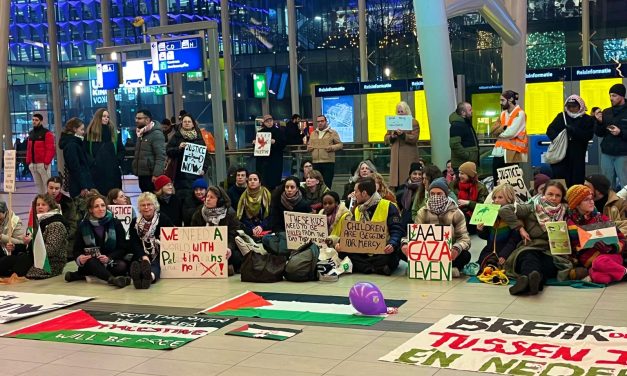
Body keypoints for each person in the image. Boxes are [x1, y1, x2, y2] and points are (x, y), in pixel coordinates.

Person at [499, 181, 572, 295]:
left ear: (562, 197)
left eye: (558, 195)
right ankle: (533, 281)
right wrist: (520, 228)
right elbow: (504, 210)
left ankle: (526, 282)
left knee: (548, 264)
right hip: (530, 246)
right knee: (529, 258)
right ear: (543, 193)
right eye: (550, 194)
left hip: (551, 251)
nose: (553, 198)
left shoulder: (566, 210)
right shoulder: (532, 206)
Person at [66, 191, 131, 287]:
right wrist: (80, 258)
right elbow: (77, 250)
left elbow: (122, 248)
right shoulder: (83, 225)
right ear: (90, 210)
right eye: (96, 206)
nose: (101, 209)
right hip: (92, 261)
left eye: (103, 205)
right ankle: (112, 279)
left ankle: (80, 275)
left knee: (122, 266)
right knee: (92, 262)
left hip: (109, 260)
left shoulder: (115, 222)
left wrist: (109, 258)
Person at [341, 177, 403, 275]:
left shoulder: (389, 206)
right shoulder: (358, 209)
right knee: (342, 252)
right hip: (363, 251)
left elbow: (397, 230)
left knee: (390, 255)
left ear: (364, 193)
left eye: (356, 191)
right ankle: (373, 268)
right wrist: (341, 243)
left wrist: (392, 244)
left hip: (382, 250)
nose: (354, 194)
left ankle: (366, 267)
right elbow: (351, 233)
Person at [565, 185, 626, 284]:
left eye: (591, 198)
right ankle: (621, 272)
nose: (592, 201)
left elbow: (622, 240)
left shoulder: (601, 218)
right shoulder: (569, 223)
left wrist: (611, 248)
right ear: (576, 204)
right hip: (589, 264)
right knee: (600, 278)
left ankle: (624, 271)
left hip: (610, 257)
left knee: (599, 262)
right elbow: (570, 250)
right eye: (586, 199)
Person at [411, 178, 472, 276]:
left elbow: (465, 238)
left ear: (446, 195)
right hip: (427, 251)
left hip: (448, 252)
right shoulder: (422, 212)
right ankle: (430, 267)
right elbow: (415, 235)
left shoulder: (457, 213)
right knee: (401, 250)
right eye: (432, 194)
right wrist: (405, 245)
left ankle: (445, 267)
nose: (435, 197)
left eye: (439, 194)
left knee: (465, 255)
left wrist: (456, 248)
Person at [546, 95, 595, 186]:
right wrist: (559, 138)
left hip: (578, 156)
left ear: (580, 106)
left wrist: (574, 131)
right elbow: (550, 130)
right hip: (561, 156)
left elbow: (588, 135)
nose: (571, 109)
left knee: (577, 181)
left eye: (574, 106)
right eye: (569, 106)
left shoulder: (587, 119)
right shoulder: (562, 116)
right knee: (560, 182)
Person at [191, 186, 241, 274]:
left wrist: (229, 248)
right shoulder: (199, 212)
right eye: (207, 196)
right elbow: (193, 232)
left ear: (220, 200)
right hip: (204, 249)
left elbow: (233, 234)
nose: (207, 199)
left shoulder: (230, 213)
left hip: (224, 248)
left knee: (236, 257)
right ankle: (224, 269)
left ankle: (224, 267)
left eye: (212, 197)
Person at [129, 192, 173, 289]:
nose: (146, 207)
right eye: (143, 205)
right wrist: (143, 256)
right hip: (141, 253)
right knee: (137, 263)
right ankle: (141, 277)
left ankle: (149, 277)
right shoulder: (134, 222)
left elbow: (171, 238)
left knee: (156, 264)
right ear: (139, 208)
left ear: (154, 206)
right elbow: (134, 243)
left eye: (149, 204)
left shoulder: (163, 219)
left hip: (159, 252)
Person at [476, 183, 521, 269]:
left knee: (506, 265)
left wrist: (504, 254)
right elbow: (486, 236)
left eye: (500, 197)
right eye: (494, 198)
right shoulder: (491, 214)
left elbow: (514, 240)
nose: (496, 200)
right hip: (490, 250)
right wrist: (480, 229)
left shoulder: (513, 216)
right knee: (482, 263)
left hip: (507, 251)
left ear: (509, 199)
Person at [23, 194, 68, 279]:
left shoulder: (56, 224)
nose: (40, 207)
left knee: (17, 269)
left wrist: (32, 242)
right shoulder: (38, 221)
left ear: (50, 207)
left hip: (51, 262)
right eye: (37, 205)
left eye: (43, 204)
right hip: (36, 258)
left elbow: (50, 250)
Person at [166, 113, 210, 195]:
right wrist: (178, 148)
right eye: (184, 121)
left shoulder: (199, 137)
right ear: (181, 123)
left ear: (193, 124)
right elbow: (168, 151)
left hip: (196, 175)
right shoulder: (176, 136)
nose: (186, 123)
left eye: (189, 121)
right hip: (180, 176)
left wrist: (204, 169)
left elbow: (205, 156)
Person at [85, 108, 125, 196]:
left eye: (107, 116)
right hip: (96, 173)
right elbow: (85, 151)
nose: (106, 118)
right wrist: (92, 163)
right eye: (103, 116)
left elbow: (121, 150)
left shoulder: (114, 133)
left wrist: (117, 161)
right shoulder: (90, 134)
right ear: (98, 117)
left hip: (113, 173)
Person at [491, 90, 528, 183]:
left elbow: (511, 133)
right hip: (498, 152)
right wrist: (501, 131)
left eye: (502, 100)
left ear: (511, 99)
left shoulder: (520, 113)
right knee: (497, 182)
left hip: (511, 154)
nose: (500, 103)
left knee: (511, 184)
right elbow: (493, 130)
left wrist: (498, 134)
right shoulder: (503, 113)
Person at [596, 83, 627, 189]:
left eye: (614, 95)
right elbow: (599, 133)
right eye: (610, 95)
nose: (611, 98)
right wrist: (599, 122)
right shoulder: (606, 112)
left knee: (625, 184)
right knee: (607, 185)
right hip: (607, 153)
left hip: (623, 154)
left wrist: (620, 132)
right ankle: (609, 205)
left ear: (622, 96)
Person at [384, 101, 420, 189]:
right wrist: (392, 137)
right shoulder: (393, 123)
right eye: (398, 112)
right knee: (396, 181)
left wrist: (403, 135)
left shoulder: (413, 122)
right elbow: (386, 138)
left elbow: (415, 138)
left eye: (402, 111)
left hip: (407, 154)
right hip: (396, 156)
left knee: (406, 177)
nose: (400, 114)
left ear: (406, 111)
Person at [449, 161, 488, 233]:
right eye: (459, 173)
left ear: (470, 175)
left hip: (473, 218)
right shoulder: (453, 185)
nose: (459, 175)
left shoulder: (480, 188)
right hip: (455, 213)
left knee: (461, 215)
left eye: (462, 173)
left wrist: (468, 203)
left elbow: (484, 207)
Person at [133, 109, 166, 192]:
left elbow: (161, 156)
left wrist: (156, 174)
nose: (136, 120)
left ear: (147, 120)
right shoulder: (141, 133)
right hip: (142, 174)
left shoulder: (156, 134)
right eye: (136, 118)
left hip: (151, 176)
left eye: (139, 118)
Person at [59, 117, 93, 198]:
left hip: (79, 183)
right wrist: (83, 186)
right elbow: (75, 167)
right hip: (79, 186)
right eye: (81, 129)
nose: (83, 132)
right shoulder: (72, 145)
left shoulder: (75, 143)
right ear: (74, 129)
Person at [307, 115, 343, 187]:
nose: (320, 123)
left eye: (322, 121)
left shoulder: (332, 133)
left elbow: (340, 144)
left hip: (328, 162)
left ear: (326, 122)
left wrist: (332, 147)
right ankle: (317, 198)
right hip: (316, 162)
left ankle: (327, 197)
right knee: (316, 184)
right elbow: (308, 145)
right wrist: (309, 148)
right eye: (318, 121)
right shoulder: (313, 133)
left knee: (327, 183)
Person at [47, 177, 77, 259]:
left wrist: (62, 237)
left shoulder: (68, 202)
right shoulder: (40, 201)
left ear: (60, 189)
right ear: (47, 187)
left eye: (56, 188)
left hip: (64, 238)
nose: (53, 191)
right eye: (51, 188)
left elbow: (73, 224)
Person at [236, 172, 272, 239]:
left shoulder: (266, 194)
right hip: (249, 229)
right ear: (247, 182)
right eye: (250, 180)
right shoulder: (243, 196)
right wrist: (252, 228)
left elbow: (271, 214)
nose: (252, 182)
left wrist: (261, 226)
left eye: (255, 179)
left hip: (265, 228)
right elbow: (242, 217)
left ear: (259, 182)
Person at [26, 113, 55, 194]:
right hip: (33, 164)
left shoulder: (47, 133)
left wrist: (46, 162)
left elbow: (50, 149)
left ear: (41, 121)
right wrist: (28, 161)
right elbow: (28, 148)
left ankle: (48, 202)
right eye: (33, 120)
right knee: (38, 185)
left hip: (42, 164)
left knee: (47, 185)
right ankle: (41, 201)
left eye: (36, 120)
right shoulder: (31, 133)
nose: (34, 121)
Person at [255, 114, 285, 190]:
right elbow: (257, 148)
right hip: (263, 161)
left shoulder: (279, 131)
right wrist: (255, 143)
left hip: (275, 161)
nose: (269, 123)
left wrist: (275, 142)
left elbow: (283, 143)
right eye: (267, 121)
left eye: (270, 121)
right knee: (264, 182)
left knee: (274, 182)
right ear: (264, 123)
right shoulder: (260, 133)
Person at [449, 102, 479, 170]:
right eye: (470, 110)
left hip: (467, 164)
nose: (472, 111)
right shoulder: (457, 125)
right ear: (463, 112)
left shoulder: (465, 122)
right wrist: (468, 156)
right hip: (462, 164)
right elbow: (454, 145)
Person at [395, 162, 423, 227]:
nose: (417, 176)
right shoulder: (402, 187)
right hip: (404, 224)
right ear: (410, 175)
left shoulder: (425, 189)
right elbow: (397, 206)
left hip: (419, 223)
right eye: (414, 174)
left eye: (420, 174)